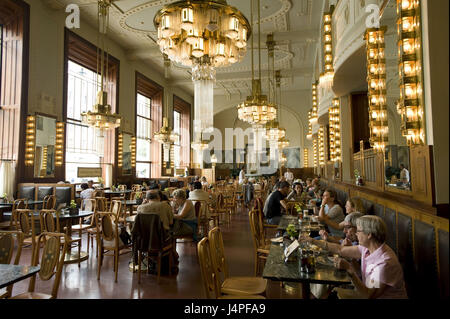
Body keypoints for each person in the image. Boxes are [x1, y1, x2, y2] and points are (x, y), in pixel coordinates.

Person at [302, 216, 407, 299]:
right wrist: (312, 240)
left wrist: (350, 270)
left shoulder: (384, 263)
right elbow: (340, 249)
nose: (356, 234)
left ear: (369, 234)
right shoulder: (367, 248)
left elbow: (367, 295)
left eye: (359, 231)